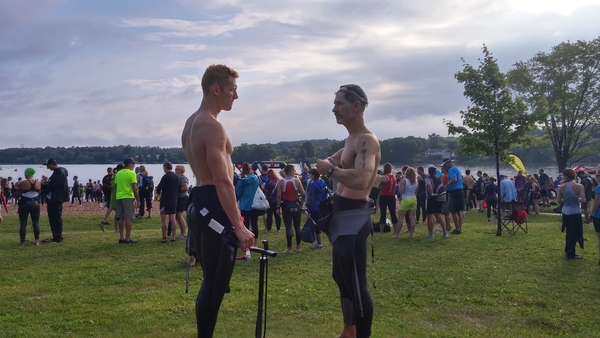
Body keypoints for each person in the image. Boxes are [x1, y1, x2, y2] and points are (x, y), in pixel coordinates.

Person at [181, 64, 254, 338]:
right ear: (216, 89)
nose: (236, 96)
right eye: (233, 90)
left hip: (198, 200)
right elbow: (222, 180)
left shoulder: (191, 123)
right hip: (212, 202)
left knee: (210, 281)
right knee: (214, 283)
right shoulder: (212, 127)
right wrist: (238, 225)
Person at [315, 84, 380, 338]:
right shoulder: (352, 139)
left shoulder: (367, 140)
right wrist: (331, 161)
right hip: (341, 216)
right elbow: (345, 155)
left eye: (339, 103)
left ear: (356, 106)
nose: (334, 109)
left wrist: (329, 169)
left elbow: (362, 180)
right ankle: (349, 330)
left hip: (354, 216)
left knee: (356, 282)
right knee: (340, 277)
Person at [556, 169, 586, 259]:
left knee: (568, 232)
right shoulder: (579, 186)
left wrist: (566, 200)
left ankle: (567, 250)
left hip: (565, 211)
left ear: (567, 176)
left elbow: (559, 201)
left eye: (563, 176)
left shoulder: (561, 187)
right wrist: (577, 200)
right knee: (575, 233)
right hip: (575, 212)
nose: (562, 177)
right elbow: (583, 200)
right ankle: (571, 252)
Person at [276, 164, 305, 253]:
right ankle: (298, 247)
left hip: (286, 205)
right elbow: (303, 193)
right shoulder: (297, 180)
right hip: (296, 204)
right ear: (291, 171)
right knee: (297, 227)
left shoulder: (281, 182)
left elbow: (279, 196)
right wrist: (301, 203)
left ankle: (289, 248)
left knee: (288, 227)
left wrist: (278, 207)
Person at [41, 159, 69, 243]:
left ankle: (58, 237)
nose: (47, 167)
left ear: (52, 164)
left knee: (56, 217)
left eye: (48, 165)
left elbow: (54, 185)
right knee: (52, 217)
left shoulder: (59, 172)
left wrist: (43, 187)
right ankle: (55, 236)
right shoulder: (59, 171)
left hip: (56, 198)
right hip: (53, 198)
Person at [236, 162, 262, 252]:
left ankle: (246, 245)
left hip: (244, 205)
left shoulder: (241, 180)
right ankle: (255, 243)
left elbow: (238, 192)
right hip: (254, 204)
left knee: (245, 225)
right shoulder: (255, 178)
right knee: (255, 224)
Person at [114, 158, 139, 244]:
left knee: (121, 217)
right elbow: (134, 188)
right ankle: (128, 238)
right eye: (133, 164)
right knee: (128, 217)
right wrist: (138, 200)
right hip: (128, 196)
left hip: (119, 196)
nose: (134, 166)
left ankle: (121, 237)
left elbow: (116, 185)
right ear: (129, 164)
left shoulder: (118, 173)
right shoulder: (131, 173)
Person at [156, 162, 180, 243]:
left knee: (164, 220)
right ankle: (173, 237)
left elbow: (159, 187)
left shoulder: (166, 176)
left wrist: (158, 195)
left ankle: (164, 237)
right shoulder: (177, 177)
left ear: (165, 168)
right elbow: (179, 189)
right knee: (173, 219)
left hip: (165, 200)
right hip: (174, 200)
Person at [17, 168, 42, 246]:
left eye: (25, 173)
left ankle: (22, 242)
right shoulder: (38, 182)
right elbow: (39, 192)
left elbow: (17, 193)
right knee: (36, 222)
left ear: (27, 174)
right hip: (36, 204)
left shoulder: (23, 183)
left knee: (23, 223)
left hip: (25, 203)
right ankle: (37, 241)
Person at [393, 167, 418, 238]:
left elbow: (401, 191)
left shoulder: (404, 181)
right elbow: (416, 191)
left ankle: (396, 234)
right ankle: (411, 234)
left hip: (405, 199)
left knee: (400, 217)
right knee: (412, 217)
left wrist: (399, 186)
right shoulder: (416, 182)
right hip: (413, 199)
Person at [305, 168, 328, 249]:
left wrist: (309, 212)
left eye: (310, 174)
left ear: (313, 175)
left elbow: (311, 198)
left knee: (316, 225)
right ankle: (318, 242)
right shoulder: (323, 182)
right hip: (322, 205)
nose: (309, 176)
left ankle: (319, 244)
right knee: (319, 223)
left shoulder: (312, 185)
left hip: (315, 206)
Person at [441, 158, 463, 234]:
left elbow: (454, 179)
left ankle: (457, 229)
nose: (444, 167)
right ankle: (459, 228)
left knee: (453, 211)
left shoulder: (451, 170)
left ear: (448, 163)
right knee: (458, 211)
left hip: (454, 191)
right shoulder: (457, 169)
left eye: (444, 165)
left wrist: (446, 185)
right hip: (459, 190)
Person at [425, 165, 448, 238]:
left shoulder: (428, 179)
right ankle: (445, 233)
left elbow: (429, 185)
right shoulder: (439, 178)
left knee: (431, 215)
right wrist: (437, 194)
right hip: (439, 197)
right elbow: (442, 187)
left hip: (431, 198)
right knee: (439, 215)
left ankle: (431, 234)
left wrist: (431, 193)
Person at [378, 163, 398, 235]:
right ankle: (395, 231)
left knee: (383, 213)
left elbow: (378, 187)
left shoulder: (383, 177)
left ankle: (381, 232)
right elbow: (395, 186)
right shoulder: (394, 176)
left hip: (384, 196)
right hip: (392, 196)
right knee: (393, 213)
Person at [589, 171, 600, 266]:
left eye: (597, 175)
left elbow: (597, 203)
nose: (595, 177)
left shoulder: (598, 188)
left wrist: (591, 214)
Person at [175, 165, 189, 239]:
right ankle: (182, 232)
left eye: (177, 169)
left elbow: (185, 187)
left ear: (181, 170)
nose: (175, 170)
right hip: (180, 197)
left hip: (183, 197)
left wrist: (176, 190)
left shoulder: (183, 177)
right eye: (175, 169)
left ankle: (184, 233)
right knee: (178, 215)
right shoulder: (178, 177)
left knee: (179, 215)